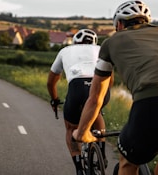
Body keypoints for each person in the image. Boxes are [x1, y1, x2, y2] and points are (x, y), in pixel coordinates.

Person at [72, 0, 158, 175]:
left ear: (119, 24)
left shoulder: (111, 42)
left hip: (153, 106)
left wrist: (82, 133)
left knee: (128, 163)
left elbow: (96, 98)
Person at [47, 29, 112, 175]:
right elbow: (110, 78)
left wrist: (55, 99)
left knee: (71, 129)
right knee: (97, 111)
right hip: (101, 86)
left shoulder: (65, 50)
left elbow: (51, 81)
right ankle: (101, 153)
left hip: (77, 87)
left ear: (75, 41)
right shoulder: (101, 49)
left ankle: (78, 168)